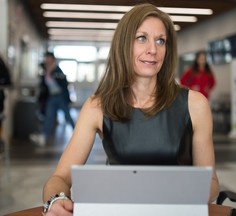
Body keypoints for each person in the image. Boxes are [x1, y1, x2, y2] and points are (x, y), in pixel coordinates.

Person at [42, 3, 219, 215]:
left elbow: (211, 183)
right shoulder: (97, 106)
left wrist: (169, 199)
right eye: (141, 38)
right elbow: (59, 178)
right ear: (124, 44)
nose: (152, 49)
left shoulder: (195, 105)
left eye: (160, 41)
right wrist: (56, 200)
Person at [30, 52, 75, 147]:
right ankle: (43, 136)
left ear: (52, 59)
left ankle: (78, 134)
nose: (46, 60)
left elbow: (63, 83)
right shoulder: (46, 70)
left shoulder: (57, 70)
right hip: (52, 96)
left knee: (67, 116)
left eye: (48, 58)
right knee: (49, 116)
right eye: (45, 58)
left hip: (60, 96)